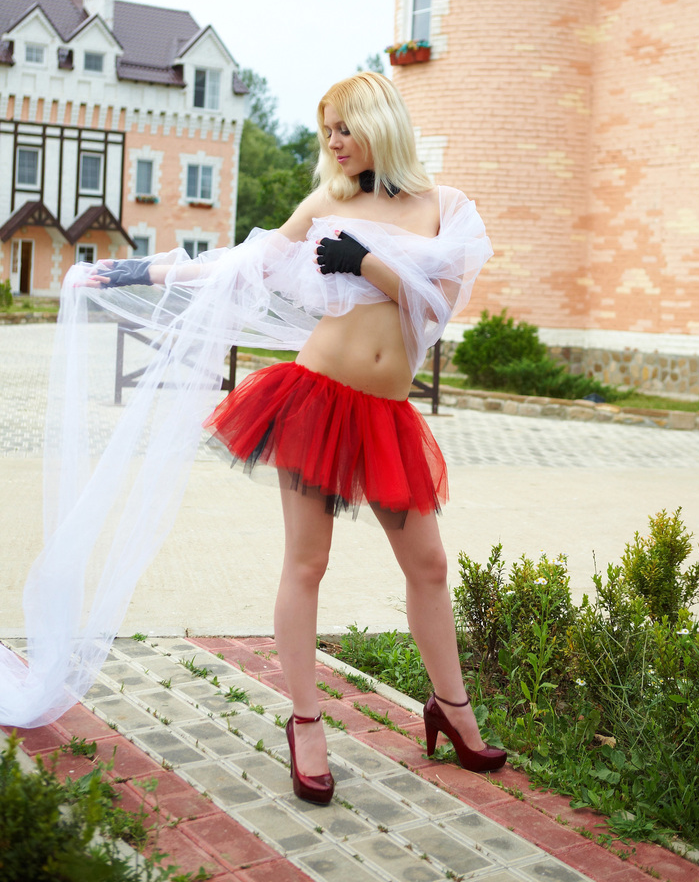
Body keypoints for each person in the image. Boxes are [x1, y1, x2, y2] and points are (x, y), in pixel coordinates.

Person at [0, 72, 504, 802]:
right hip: (318, 400)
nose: (333, 141)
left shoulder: (444, 209)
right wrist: (133, 271)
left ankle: (452, 710)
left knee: (428, 565)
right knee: (308, 563)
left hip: (386, 414)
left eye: (344, 126)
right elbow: (239, 265)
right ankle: (306, 724)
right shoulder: (326, 203)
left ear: (380, 123)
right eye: (327, 129)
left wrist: (365, 263)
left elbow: (435, 310)